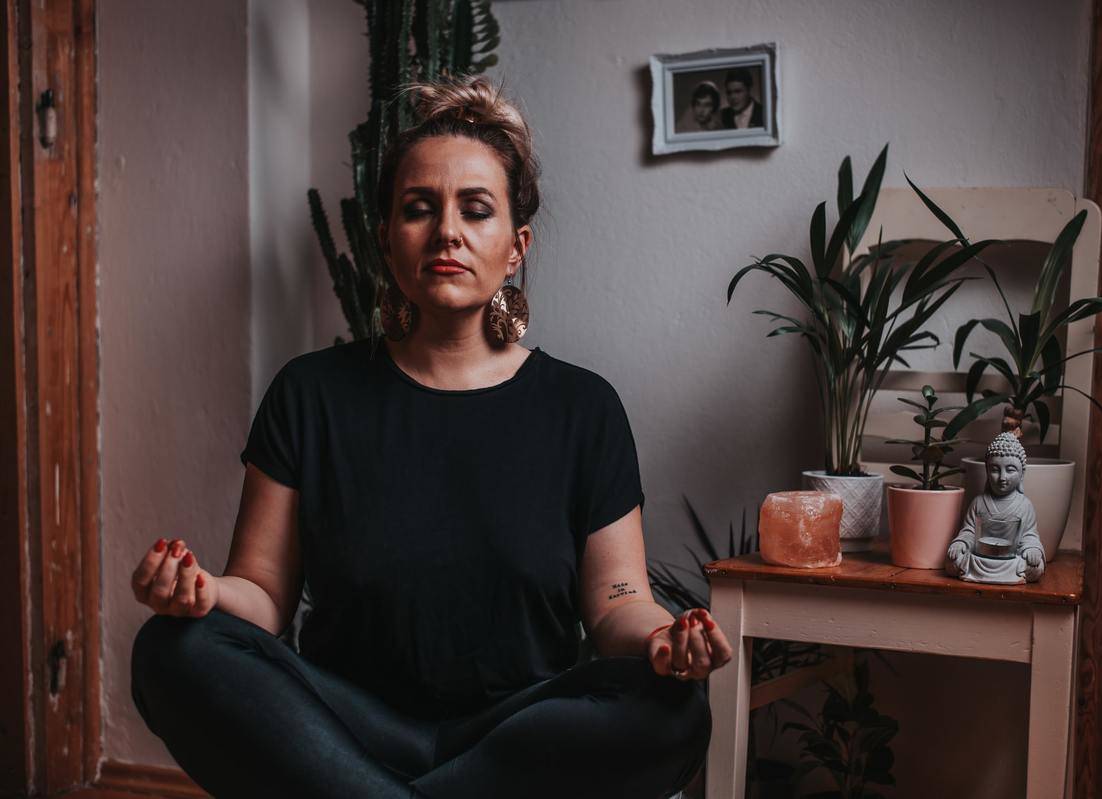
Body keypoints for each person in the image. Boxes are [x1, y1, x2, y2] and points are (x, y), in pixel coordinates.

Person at [128, 74, 731, 799]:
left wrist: (664, 640)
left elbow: (616, 606)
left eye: (476, 210)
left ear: (516, 246)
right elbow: (260, 595)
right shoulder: (311, 394)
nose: (447, 231)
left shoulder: (584, 408)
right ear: (387, 241)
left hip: (517, 730)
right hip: (345, 723)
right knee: (171, 650)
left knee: (673, 707)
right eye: (419, 209)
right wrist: (198, 594)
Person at [946, 432, 1046, 584]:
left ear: (1021, 474)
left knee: (1035, 567)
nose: (1002, 477)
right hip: (980, 558)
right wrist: (961, 543)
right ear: (987, 471)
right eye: (995, 470)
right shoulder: (979, 502)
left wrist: (1033, 549)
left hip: (1011, 560)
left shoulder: (1025, 505)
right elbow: (969, 531)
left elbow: (1029, 535)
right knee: (952, 562)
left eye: (1010, 470)